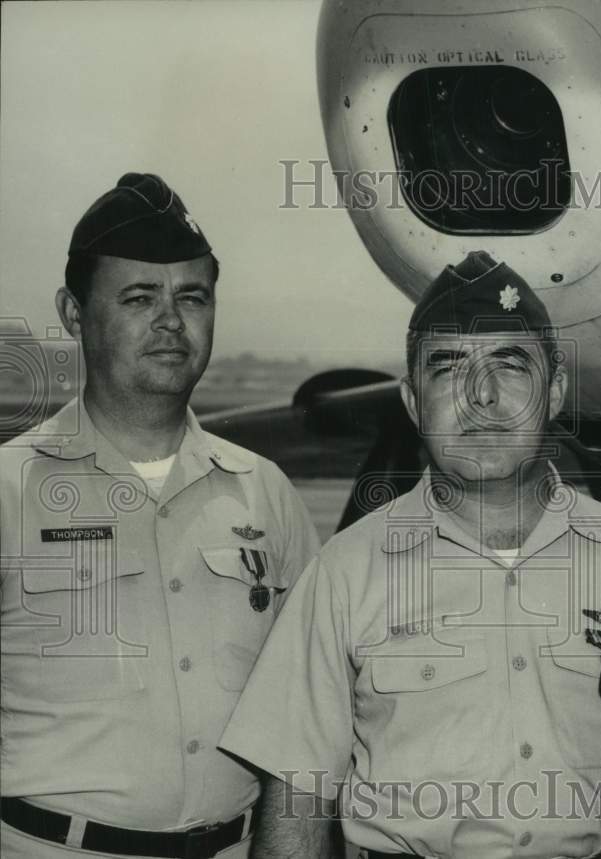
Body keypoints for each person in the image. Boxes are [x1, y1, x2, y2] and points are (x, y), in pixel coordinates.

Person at [219, 251, 601, 858]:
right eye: (448, 367)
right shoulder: (345, 573)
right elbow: (298, 797)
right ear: (414, 402)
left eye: (511, 363)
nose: (482, 395)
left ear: (554, 392)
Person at [0, 173, 320, 858]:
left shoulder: (265, 494)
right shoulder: (8, 491)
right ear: (74, 311)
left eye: (192, 297)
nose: (171, 321)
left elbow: (310, 717)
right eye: (140, 297)